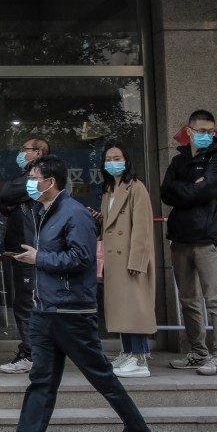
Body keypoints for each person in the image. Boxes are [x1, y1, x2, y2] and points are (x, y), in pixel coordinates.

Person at [0, 156, 156, 432]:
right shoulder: (45, 211)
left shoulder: (74, 214)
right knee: (41, 380)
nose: (30, 183)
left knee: (101, 377)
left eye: (34, 178)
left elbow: (82, 259)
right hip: (45, 311)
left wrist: (38, 259)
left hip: (71, 313)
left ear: (50, 182)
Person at [161, 110, 217, 376]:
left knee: (215, 300)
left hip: (208, 238)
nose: (206, 135)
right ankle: (198, 351)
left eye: (210, 131)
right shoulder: (178, 161)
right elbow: (166, 192)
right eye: (201, 130)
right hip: (181, 238)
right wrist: (194, 188)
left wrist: (187, 190)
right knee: (188, 300)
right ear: (189, 131)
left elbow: (211, 189)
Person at [90, 143, 156, 378]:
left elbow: (142, 228)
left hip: (130, 258)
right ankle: (128, 352)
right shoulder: (110, 188)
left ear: (126, 160)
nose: (112, 162)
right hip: (114, 259)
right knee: (122, 309)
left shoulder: (136, 188)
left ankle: (140, 358)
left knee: (135, 308)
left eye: (117, 157)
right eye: (108, 158)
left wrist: (137, 261)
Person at [0, 137, 49, 374]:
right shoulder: (28, 180)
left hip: (33, 251)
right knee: (24, 302)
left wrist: (15, 196)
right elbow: (4, 203)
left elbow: (8, 193)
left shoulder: (45, 177)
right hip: (22, 251)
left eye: (24, 150)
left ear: (37, 152)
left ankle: (31, 354)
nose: (21, 153)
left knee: (27, 304)